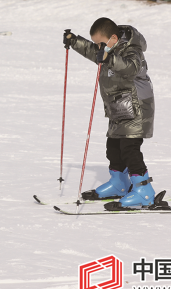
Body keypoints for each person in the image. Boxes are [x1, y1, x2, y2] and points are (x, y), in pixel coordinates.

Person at [63, 18, 158, 211]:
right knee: (113, 147)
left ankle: (144, 191)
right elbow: (92, 51)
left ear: (113, 38)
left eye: (101, 44)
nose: (98, 48)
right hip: (119, 108)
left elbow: (130, 67)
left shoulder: (132, 49)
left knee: (129, 149)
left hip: (137, 107)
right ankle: (119, 183)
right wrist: (74, 40)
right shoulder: (109, 49)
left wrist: (108, 58)